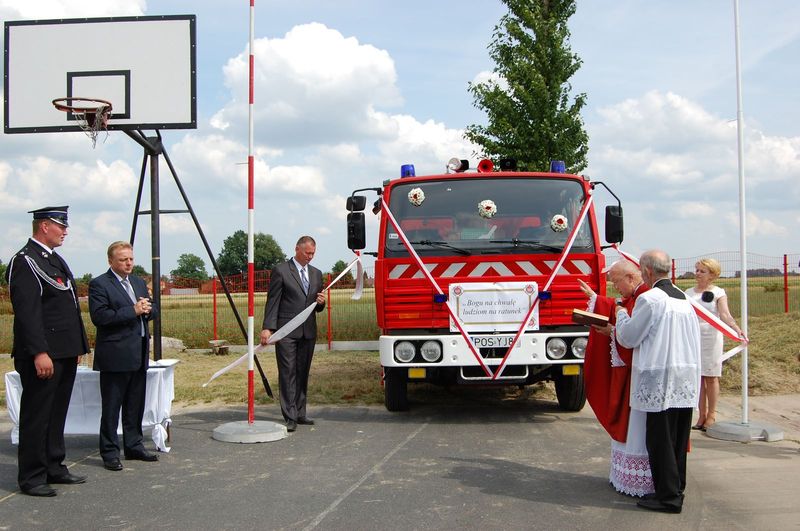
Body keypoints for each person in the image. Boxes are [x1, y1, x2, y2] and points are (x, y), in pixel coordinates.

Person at [6, 206, 89, 497]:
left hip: (63, 351)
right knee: (37, 415)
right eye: (60, 226)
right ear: (44, 226)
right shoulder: (25, 261)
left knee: (56, 414)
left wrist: (76, 346)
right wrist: (39, 352)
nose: (65, 231)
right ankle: (31, 476)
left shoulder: (54, 260)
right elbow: (28, 314)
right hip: (44, 353)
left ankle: (54, 465)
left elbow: (67, 308)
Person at [615, 249, 701, 514]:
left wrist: (620, 314)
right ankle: (675, 488)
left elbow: (629, 337)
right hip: (684, 377)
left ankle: (668, 497)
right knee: (676, 438)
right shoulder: (684, 298)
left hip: (659, 378)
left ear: (648, 271)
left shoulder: (651, 299)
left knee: (660, 439)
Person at [578, 260, 654, 497]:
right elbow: (622, 312)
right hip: (635, 373)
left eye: (616, 282)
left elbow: (632, 334)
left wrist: (612, 329)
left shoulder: (646, 298)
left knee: (640, 427)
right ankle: (630, 476)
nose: (614, 287)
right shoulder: (636, 297)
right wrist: (597, 299)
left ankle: (644, 479)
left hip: (642, 375)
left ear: (631, 277)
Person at [88, 241, 159, 471]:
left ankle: (134, 445)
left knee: (134, 404)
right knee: (112, 407)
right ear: (111, 261)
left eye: (131, 259)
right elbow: (100, 317)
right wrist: (133, 310)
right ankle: (109, 452)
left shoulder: (137, 281)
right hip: (115, 356)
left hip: (138, 353)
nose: (128, 263)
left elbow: (153, 308)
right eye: (123, 260)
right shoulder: (100, 284)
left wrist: (148, 309)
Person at [260, 236, 326, 432]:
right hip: (286, 331)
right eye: (307, 253)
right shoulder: (281, 271)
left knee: (302, 372)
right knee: (288, 373)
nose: (310, 257)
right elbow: (273, 301)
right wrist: (267, 327)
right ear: (297, 249)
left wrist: (321, 303)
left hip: (308, 331)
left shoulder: (316, 274)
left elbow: (316, 306)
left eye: (313, 253)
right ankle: (289, 416)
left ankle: (300, 412)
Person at [684, 258, 744, 431]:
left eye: (702, 271)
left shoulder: (719, 292)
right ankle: (701, 414)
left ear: (712, 274)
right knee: (698, 377)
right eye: (696, 270)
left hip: (712, 337)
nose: (697, 274)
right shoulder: (688, 292)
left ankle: (712, 414)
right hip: (694, 337)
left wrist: (735, 328)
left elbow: (724, 314)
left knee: (711, 376)